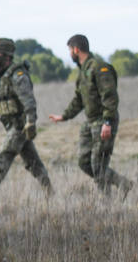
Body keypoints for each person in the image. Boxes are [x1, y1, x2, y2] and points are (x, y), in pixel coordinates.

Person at [0, 38, 51, 196]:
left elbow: (29, 101)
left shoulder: (18, 75)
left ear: (6, 55)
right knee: (33, 162)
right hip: (11, 126)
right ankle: (49, 191)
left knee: (4, 155)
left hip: (19, 126)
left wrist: (31, 122)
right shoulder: (0, 77)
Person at [49, 34, 132, 196]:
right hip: (91, 122)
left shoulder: (99, 68)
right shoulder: (83, 71)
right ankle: (123, 183)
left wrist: (107, 122)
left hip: (103, 121)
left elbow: (110, 96)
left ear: (76, 49)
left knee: (98, 164)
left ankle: (106, 203)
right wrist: (64, 116)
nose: (69, 54)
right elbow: (79, 100)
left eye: (69, 50)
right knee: (84, 162)